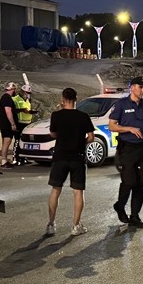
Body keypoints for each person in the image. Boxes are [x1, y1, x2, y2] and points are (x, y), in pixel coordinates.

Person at [45, 87, 95, 237]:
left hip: (60, 156)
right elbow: (91, 137)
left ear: (63, 99)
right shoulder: (83, 116)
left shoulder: (56, 115)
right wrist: (81, 142)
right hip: (77, 157)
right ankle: (75, 226)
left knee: (55, 190)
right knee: (78, 192)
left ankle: (51, 224)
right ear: (76, 99)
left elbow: (53, 133)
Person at [108, 76, 143, 228]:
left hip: (142, 148)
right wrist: (129, 129)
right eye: (140, 87)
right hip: (127, 148)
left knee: (140, 185)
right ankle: (120, 206)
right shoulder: (121, 104)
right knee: (129, 182)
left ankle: (135, 216)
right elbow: (112, 126)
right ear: (132, 88)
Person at [0, 82, 18, 168]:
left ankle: (4, 160)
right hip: (7, 124)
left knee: (5, 142)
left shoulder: (4, 97)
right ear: (12, 89)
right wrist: (12, 124)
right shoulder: (7, 98)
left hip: (4, 123)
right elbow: (8, 111)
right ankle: (4, 161)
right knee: (7, 142)